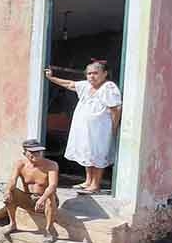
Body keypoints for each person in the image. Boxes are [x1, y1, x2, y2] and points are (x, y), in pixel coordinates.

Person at [45, 60, 122, 194]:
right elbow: (69, 84)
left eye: (95, 73)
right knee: (88, 153)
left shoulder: (108, 87)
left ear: (104, 74)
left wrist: (114, 127)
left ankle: (95, 184)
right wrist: (51, 78)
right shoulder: (86, 86)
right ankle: (88, 181)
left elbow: (115, 109)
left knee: (98, 155)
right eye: (89, 73)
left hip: (101, 131)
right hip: (86, 130)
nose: (92, 76)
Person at [2, 139, 60, 243]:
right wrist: (7, 191)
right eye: (32, 152)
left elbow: (52, 186)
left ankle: (50, 229)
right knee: (11, 192)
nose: (36, 154)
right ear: (25, 153)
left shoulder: (51, 165)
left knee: (50, 197)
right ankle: (12, 224)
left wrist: (42, 199)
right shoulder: (20, 164)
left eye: (38, 151)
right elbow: (12, 180)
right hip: (28, 198)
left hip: (45, 199)